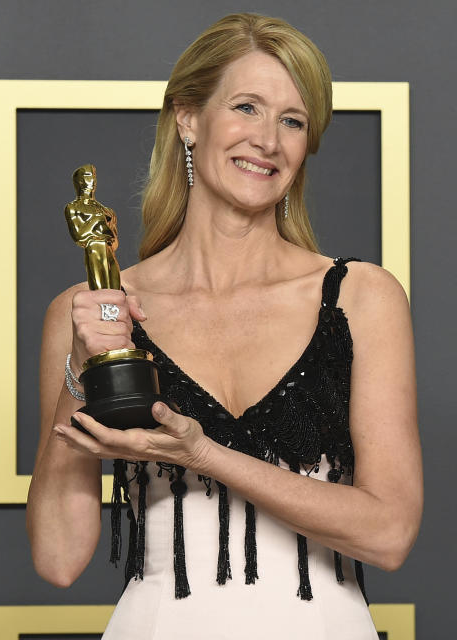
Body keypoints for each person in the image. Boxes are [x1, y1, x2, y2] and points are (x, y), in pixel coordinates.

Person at [26, 13, 422, 639]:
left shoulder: (360, 297)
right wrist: (81, 370)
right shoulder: (94, 305)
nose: (268, 140)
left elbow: (390, 533)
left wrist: (203, 454)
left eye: (292, 120)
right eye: (246, 107)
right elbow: (58, 558)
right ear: (188, 116)